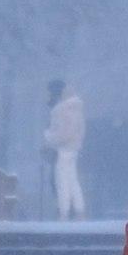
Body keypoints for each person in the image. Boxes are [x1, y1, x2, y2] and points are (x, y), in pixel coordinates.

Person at [43, 79, 87, 221]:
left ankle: (63, 213)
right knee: (73, 182)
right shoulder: (76, 107)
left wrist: (48, 136)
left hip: (62, 150)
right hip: (73, 149)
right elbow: (76, 131)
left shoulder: (61, 109)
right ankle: (79, 211)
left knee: (62, 183)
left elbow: (63, 133)